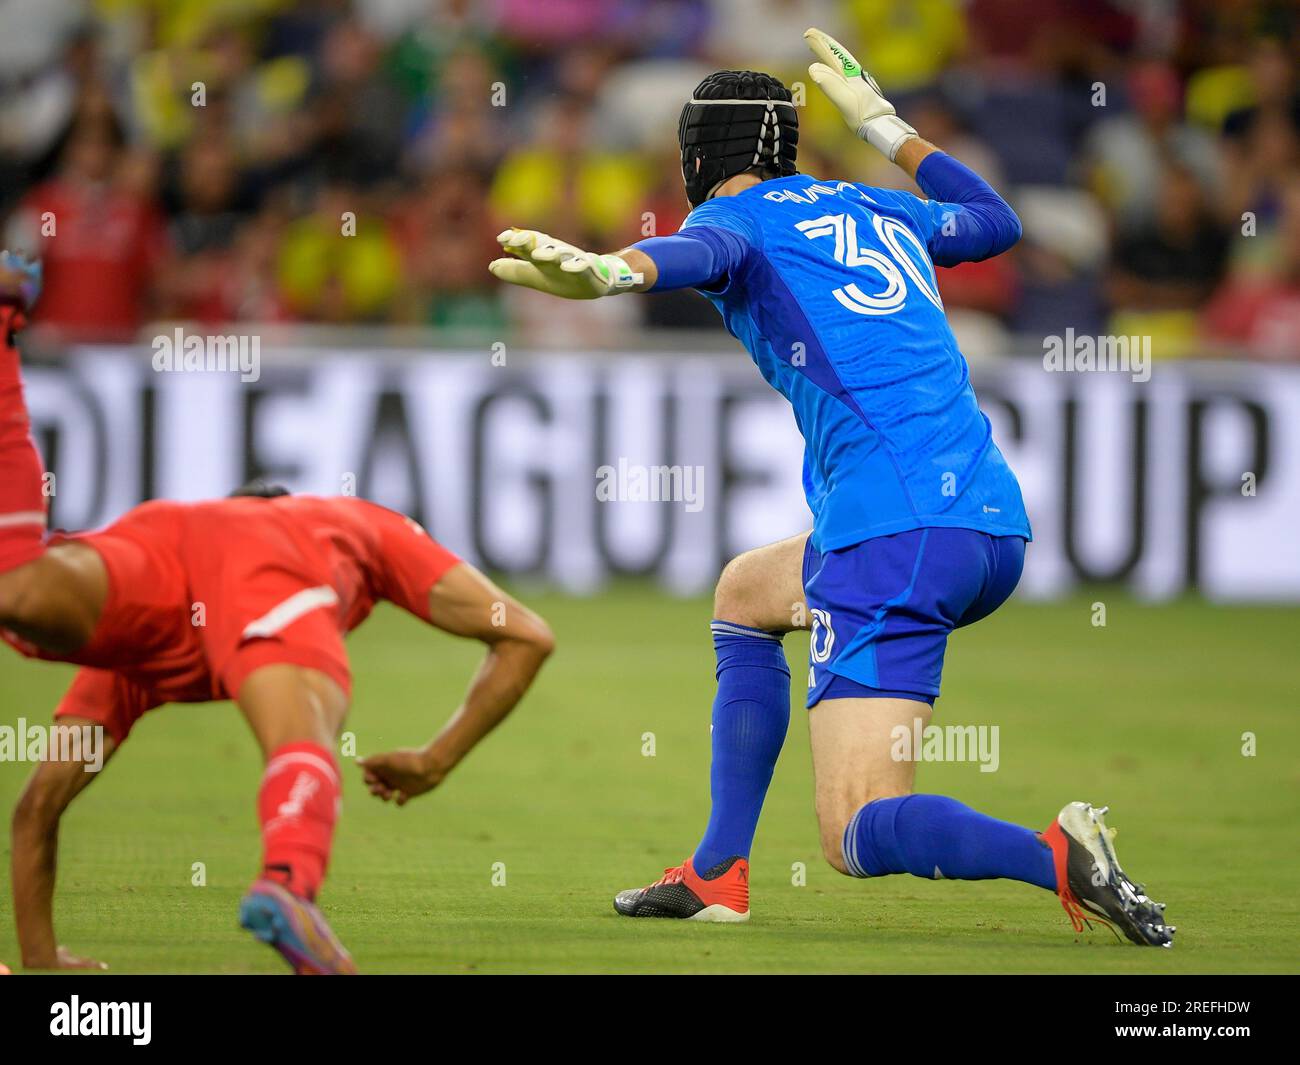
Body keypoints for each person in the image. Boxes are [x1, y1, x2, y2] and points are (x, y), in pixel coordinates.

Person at [488, 29, 1172, 946]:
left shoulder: (733, 220)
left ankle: (1057, 854)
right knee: (747, 592)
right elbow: (1000, 223)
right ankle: (716, 871)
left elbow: (686, 258)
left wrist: (615, 270)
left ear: (698, 156)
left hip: (892, 536)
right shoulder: (875, 205)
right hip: (987, 525)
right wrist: (888, 126)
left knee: (856, 830)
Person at [0, 253, 555, 972]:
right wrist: (433, 760)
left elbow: (35, 812)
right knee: (304, 736)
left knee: (15, 588)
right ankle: (288, 881)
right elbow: (526, 635)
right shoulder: (335, 521)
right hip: (269, 571)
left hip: (156, 548)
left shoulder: (135, 653)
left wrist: (43, 964)